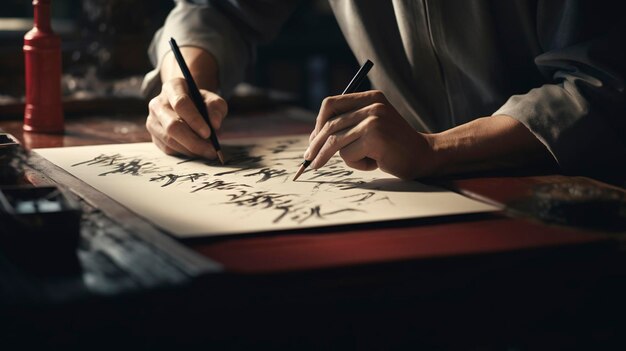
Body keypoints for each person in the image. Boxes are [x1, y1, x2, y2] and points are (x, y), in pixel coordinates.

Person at [143, 0, 625, 181]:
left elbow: (599, 86)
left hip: (570, 199)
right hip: (414, 188)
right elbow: (219, 11)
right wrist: (183, 84)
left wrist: (437, 149)